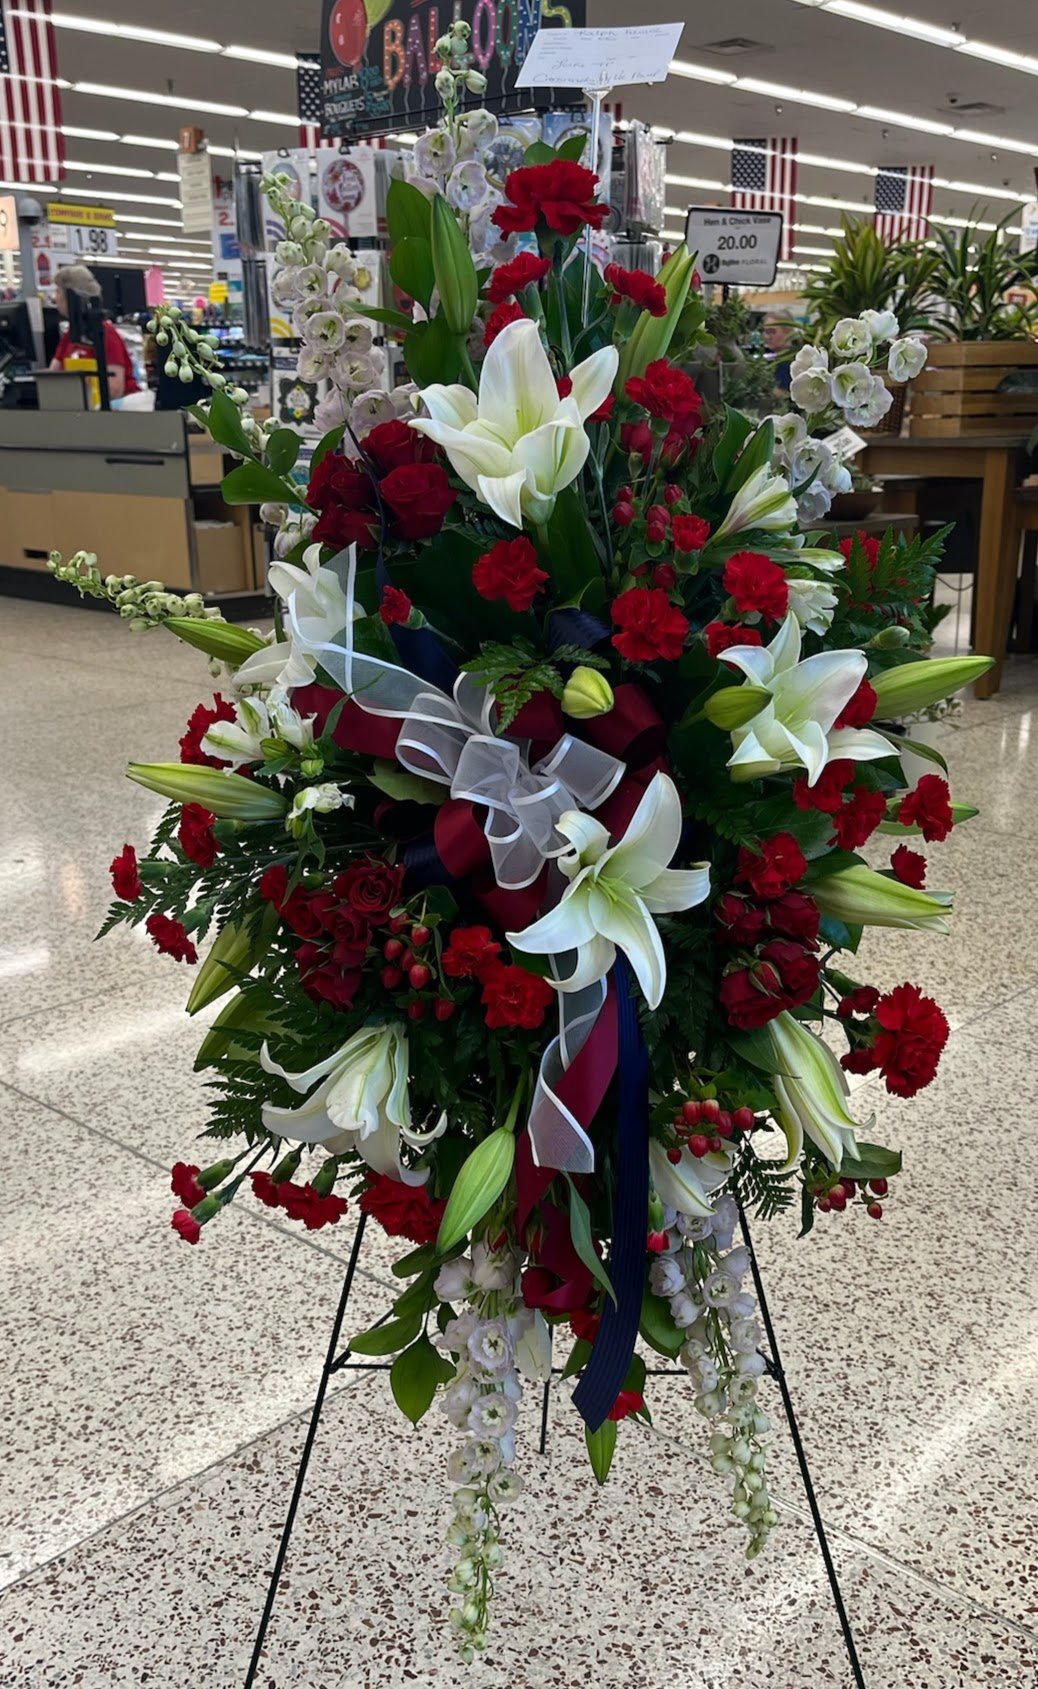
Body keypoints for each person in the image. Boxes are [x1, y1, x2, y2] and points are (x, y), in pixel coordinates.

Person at [49, 264, 139, 398]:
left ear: (73, 296)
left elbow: (115, 389)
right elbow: (52, 377)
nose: (55, 299)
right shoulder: (71, 335)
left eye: (58, 291)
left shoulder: (106, 334)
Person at [761, 312, 796, 393]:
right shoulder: (772, 358)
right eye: (766, 332)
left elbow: (780, 394)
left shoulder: (793, 362)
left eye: (772, 331)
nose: (767, 337)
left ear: (787, 331)